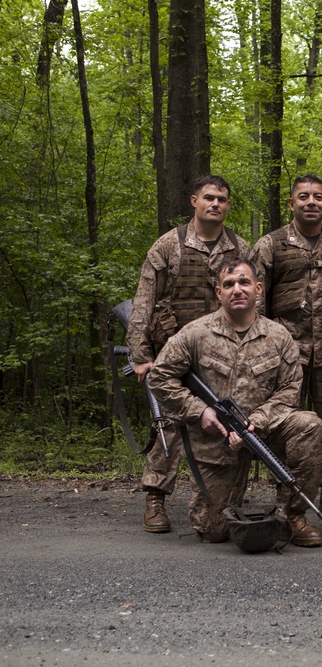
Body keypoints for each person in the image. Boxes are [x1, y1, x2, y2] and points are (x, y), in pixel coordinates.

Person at [147, 258, 322, 547]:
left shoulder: (279, 337)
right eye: (228, 284)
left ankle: (290, 514)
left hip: (264, 431)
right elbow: (159, 378)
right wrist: (199, 410)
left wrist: (256, 422)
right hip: (216, 440)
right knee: (213, 531)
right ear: (218, 292)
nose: (237, 289)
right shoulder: (195, 334)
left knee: (310, 426)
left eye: (244, 282)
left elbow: (290, 389)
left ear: (258, 289)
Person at [126, 175, 250, 534]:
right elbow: (143, 302)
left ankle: (219, 498)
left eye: (222, 199)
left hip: (221, 354)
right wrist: (141, 356)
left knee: (221, 424)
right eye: (209, 197)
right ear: (193, 201)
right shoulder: (169, 245)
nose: (215, 204)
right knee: (168, 426)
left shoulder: (239, 248)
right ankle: (155, 498)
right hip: (172, 353)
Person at [249, 174, 322, 518]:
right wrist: (259, 348)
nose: (311, 202)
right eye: (303, 197)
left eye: (317, 197)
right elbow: (256, 298)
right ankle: (287, 486)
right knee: (285, 423)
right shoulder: (270, 245)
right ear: (292, 203)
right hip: (286, 356)